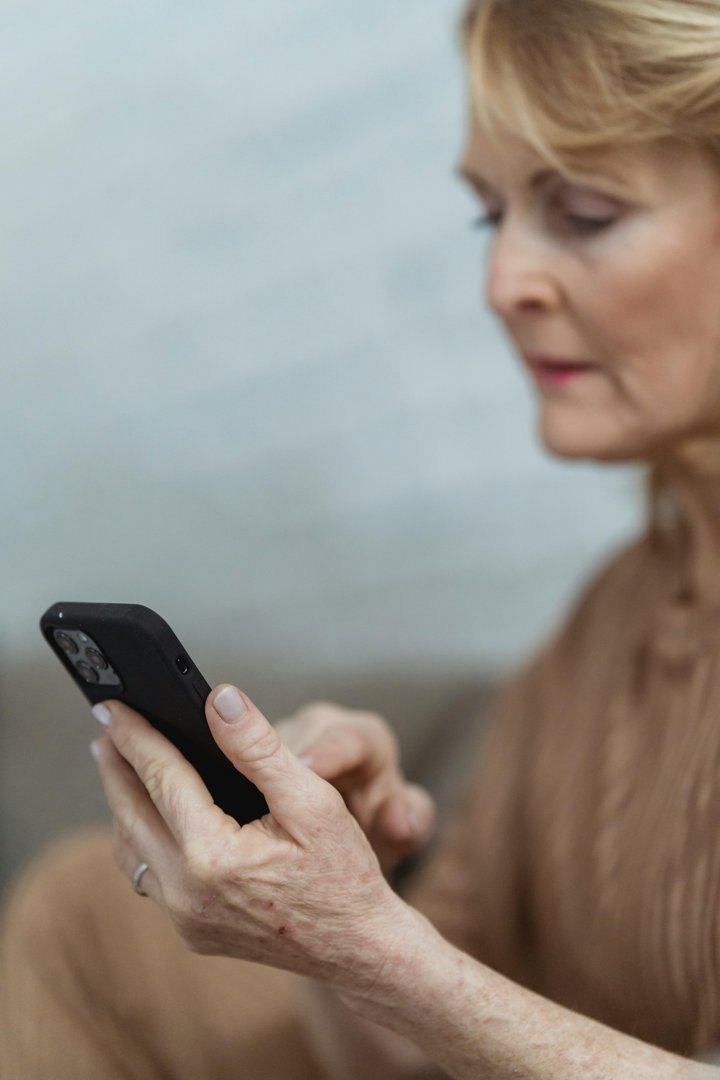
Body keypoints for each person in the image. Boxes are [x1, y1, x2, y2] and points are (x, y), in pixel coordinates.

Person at [3, 0, 720, 1075]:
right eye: (491, 216)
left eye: (582, 212)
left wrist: (381, 952)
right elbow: (401, 1057)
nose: (502, 285)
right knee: (83, 908)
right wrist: (347, 916)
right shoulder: (610, 622)